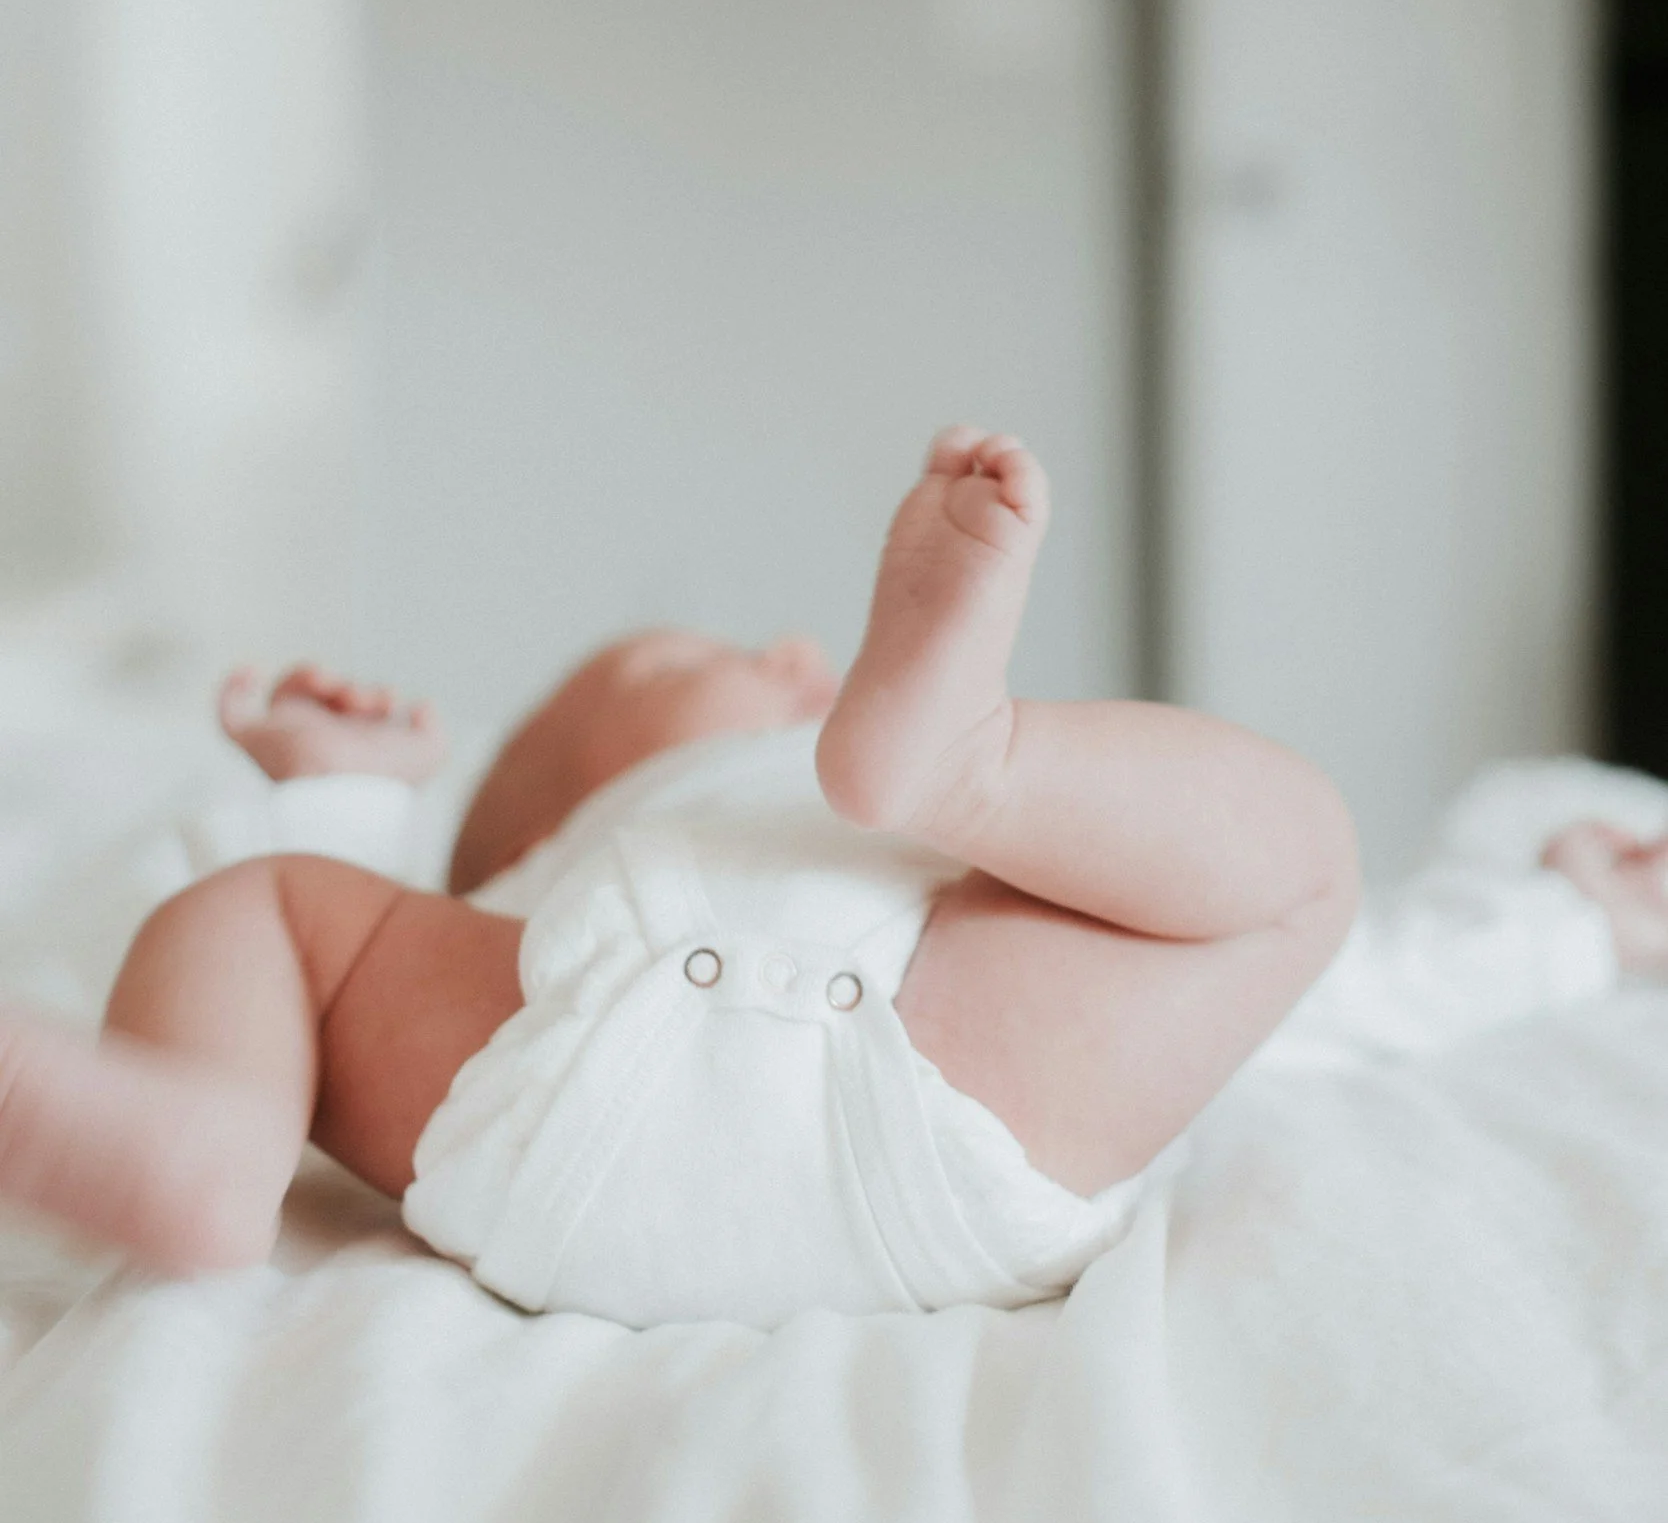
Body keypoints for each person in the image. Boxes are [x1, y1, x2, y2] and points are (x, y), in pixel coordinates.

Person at [0, 429, 1654, 1326]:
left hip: (553, 1145)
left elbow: (328, 960)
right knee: (1303, 873)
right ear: (527, 813)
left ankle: (204, 1145)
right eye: (698, 655)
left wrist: (327, 823)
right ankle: (972, 753)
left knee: (263, 920)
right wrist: (1562, 924)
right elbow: (1353, 986)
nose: (789, 652)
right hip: (956, 1130)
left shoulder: (530, 916)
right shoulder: (539, 876)